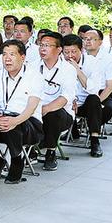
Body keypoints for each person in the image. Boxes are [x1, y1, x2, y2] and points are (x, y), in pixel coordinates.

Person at [0, 40, 44, 184]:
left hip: (29, 123)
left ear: (22, 57)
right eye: (4, 54)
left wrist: (14, 121)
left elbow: (31, 108)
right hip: (1, 119)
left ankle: (17, 160)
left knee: (11, 121)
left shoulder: (34, 76)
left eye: (12, 54)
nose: (7, 58)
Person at [63, 34, 112, 157]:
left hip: (85, 104)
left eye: (73, 52)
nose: (70, 56)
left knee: (94, 99)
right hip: (67, 102)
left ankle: (95, 141)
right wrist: (70, 100)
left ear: (81, 50)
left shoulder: (92, 62)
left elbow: (93, 89)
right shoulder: (60, 63)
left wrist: (77, 70)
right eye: (66, 52)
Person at [35, 31, 77, 171]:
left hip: (61, 114)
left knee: (54, 114)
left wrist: (45, 109)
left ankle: (51, 152)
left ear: (59, 49)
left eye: (47, 45)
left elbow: (66, 97)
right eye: (41, 45)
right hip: (35, 111)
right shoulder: (32, 67)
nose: (43, 49)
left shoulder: (68, 70)